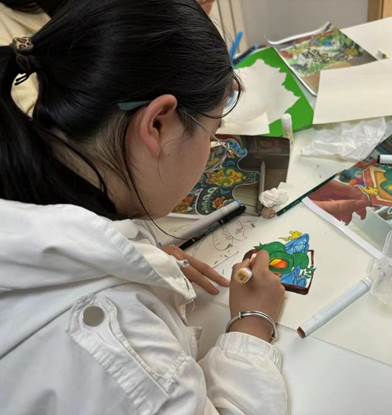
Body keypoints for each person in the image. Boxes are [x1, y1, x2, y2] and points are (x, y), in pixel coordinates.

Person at [0, 1, 288, 414]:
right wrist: (254, 324)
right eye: (212, 132)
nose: (211, 148)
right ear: (157, 124)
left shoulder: (18, 169)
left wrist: (130, 259)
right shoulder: (125, 353)